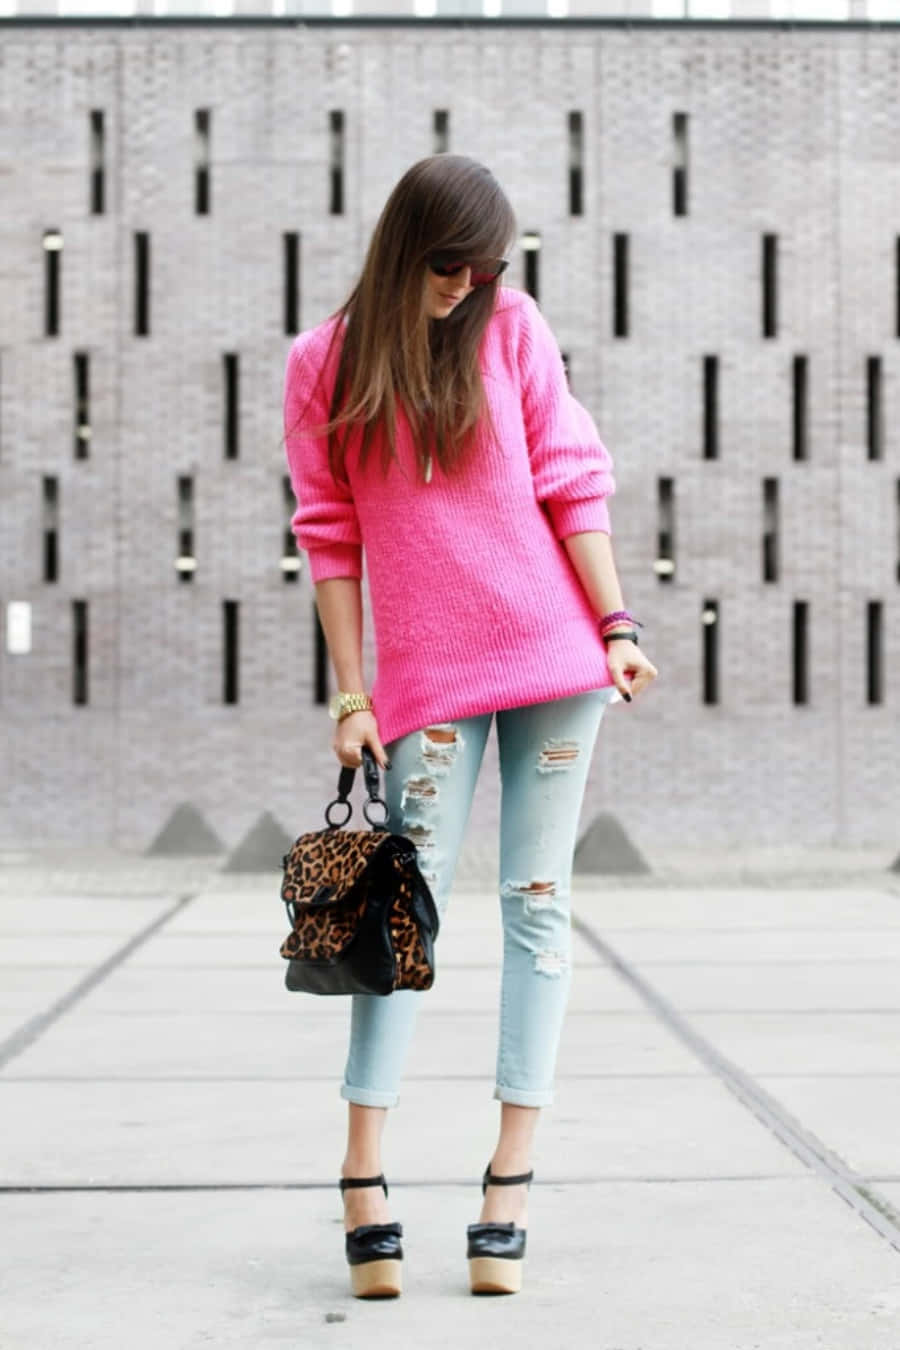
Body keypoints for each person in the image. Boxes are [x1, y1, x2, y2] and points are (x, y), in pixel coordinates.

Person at [282, 153, 658, 1300]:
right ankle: (365, 1179)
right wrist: (354, 696)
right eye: (452, 265)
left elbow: (570, 483)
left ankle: (509, 1185)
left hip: (557, 662)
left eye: (487, 268)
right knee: (397, 921)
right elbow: (330, 538)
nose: (468, 285)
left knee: (539, 912)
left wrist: (617, 621)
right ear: (409, 248)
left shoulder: (512, 329)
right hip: (430, 688)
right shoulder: (323, 365)